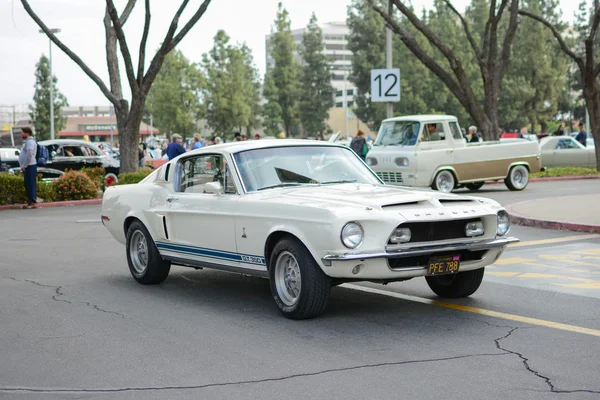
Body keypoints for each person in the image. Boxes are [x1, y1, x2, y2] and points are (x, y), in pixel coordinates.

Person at [19, 127, 38, 209]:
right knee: (28, 184)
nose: (21, 134)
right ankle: (31, 201)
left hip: (30, 166)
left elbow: (30, 154)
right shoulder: (28, 142)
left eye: (22, 132)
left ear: (27, 133)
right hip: (29, 166)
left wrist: (25, 165)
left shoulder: (30, 142)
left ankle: (33, 202)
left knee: (31, 184)